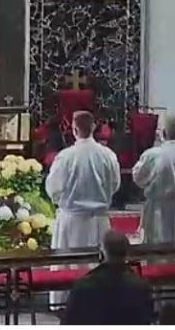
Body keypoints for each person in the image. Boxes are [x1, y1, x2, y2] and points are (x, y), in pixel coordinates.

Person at [45, 110, 121, 308]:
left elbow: (53, 188)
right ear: (94, 127)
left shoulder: (66, 157)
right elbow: (115, 184)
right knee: (98, 267)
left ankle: (67, 306)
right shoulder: (107, 155)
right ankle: (99, 304)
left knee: (68, 267)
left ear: (74, 129)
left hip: (71, 221)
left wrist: (64, 202)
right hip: (98, 221)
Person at [132, 115, 175, 244]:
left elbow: (138, 178)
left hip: (157, 212)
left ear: (163, 132)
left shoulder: (152, 155)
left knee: (156, 250)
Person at [62, 230, 155, 324]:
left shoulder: (83, 286)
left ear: (102, 253)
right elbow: (146, 320)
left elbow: (68, 322)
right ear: (127, 252)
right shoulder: (140, 287)